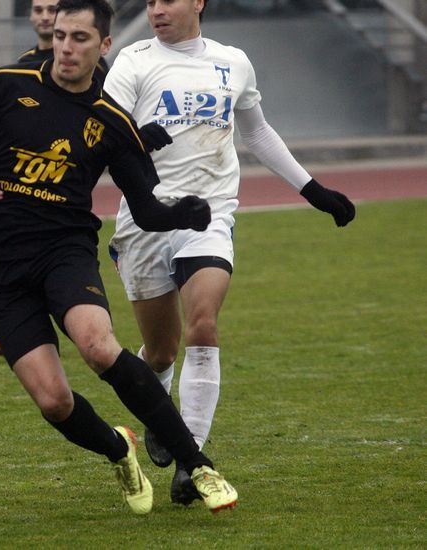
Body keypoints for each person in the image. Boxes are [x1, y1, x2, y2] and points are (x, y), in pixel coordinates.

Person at [0, 0, 237, 514]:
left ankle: (198, 463)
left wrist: (185, 212)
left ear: (104, 46)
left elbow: (146, 209)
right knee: (54, 400)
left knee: (99, 347)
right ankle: (120, 451)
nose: (66, 49)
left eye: (80, 39)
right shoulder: (2, 85)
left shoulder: (113, 120)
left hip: (64, 252)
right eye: (61, 36)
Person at [103, 0, 355, 505]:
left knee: (205, 322)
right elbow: (103, 134)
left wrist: (314, 191)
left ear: (197, 1)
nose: (156, 9)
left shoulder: (232, 62)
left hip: (210, 213)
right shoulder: (132, 62)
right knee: (160, 352)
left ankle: (191, 459)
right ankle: (158, 408)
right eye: (149, 1)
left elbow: (257, 131)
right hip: (145, 217)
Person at [18, 0, 110, 75]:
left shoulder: (92, 64)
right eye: (38, 10)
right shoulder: (24, 61)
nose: (45, 17)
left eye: (52, 10)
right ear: (30, 15)